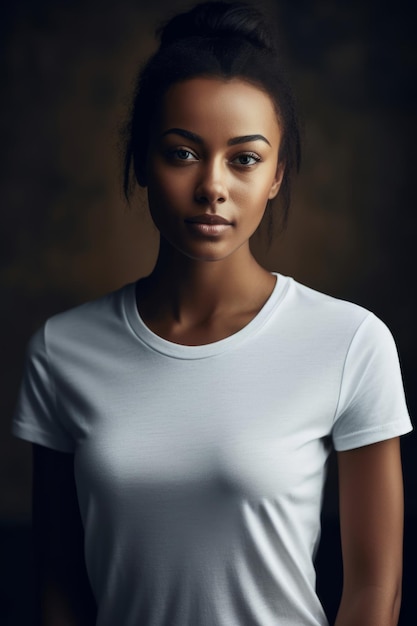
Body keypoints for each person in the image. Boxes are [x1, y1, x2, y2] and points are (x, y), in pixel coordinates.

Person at [12, 2, 412, 625]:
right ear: (143, 161)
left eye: (244, 158)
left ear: (277, 174)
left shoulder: (350, 342)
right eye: (182, 153)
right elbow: (57, 588)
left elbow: (374, 592)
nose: (213, 187)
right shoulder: (62, 350)